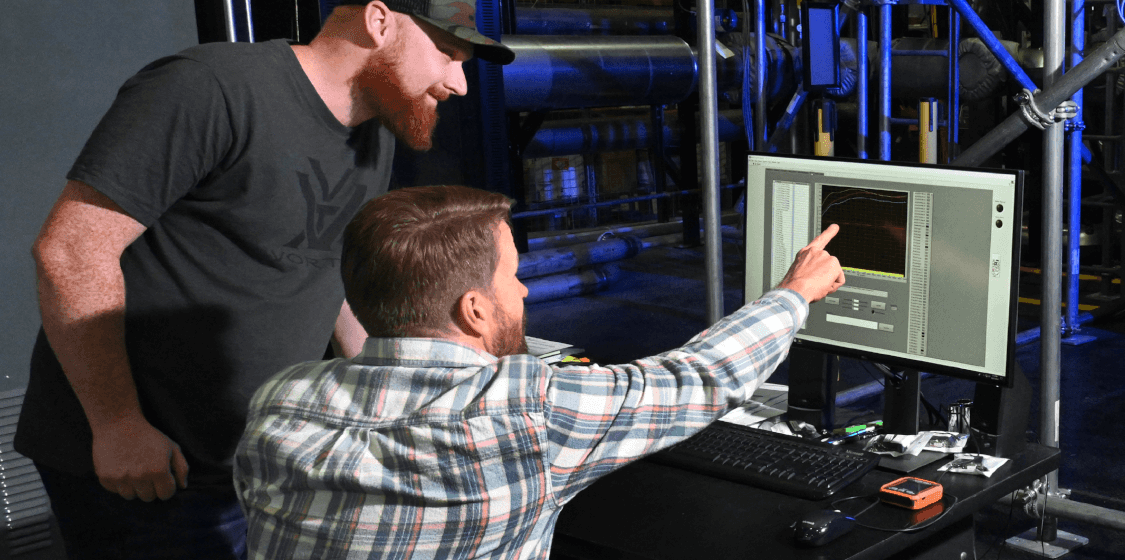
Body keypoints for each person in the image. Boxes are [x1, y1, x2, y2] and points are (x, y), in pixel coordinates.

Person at [19, 0, 516, 560]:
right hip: (153, 459)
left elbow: (331, 272)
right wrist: (118, 425)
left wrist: (401, 395)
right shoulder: (210, 87)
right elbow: (72, 250)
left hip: (260, 454)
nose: (459, 84)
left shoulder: (373, 131)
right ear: (381, 23)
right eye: (447, 53)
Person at [232, 185, 846, 559]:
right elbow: (698, 378)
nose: (524, 291)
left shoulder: (279, 404)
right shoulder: (526, 412)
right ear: (473, 310)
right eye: (513, 277)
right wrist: (794, 294)